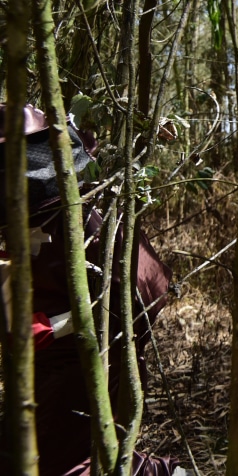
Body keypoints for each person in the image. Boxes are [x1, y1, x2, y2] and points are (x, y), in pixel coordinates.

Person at [0, 104, 180, 476]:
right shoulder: (41, 216)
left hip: (99, 334)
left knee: (66, 457)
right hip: (63, 342)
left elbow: (122, 302)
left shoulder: (84, 218)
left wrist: (57, 326)